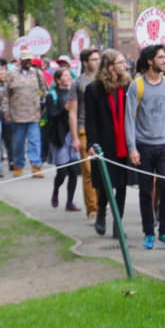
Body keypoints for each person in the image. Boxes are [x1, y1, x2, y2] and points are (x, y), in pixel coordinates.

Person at [126, 45, 165, 250]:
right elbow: (129, 118)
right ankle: (149, 232)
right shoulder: (136, 86)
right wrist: (132, 147)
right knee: (146, 191)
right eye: (161, 57)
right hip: (143, 145)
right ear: (150, 61)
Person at [85, 49, 132, 237]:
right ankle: (101, 213)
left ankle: (118, 226)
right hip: (104, 142)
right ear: (110, 66)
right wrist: (92, 143)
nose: (124, 66)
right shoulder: (94, 89)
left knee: (121, 185)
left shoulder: (127, 86)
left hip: (122, 143)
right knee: (105, 183)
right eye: (120, 62)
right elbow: (91, 119)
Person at [6, 50, 47, 178]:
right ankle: (18, 165)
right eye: (26, 60)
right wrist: (6, 110)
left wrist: (42, 103)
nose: (29, 62)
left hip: (34, 113)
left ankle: (36, 166)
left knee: (35, 140)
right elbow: (5, 95)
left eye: (30, 60)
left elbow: (44, 90)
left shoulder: (37, 73)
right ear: (21, 61)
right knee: (18, 142)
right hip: (17, 114)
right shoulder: (11, 74)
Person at [45, 67, 81, 211]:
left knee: (73, 171)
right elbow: (52, 115)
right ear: (58, 80)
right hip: (59, 137)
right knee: (62, 172)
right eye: (65, 76)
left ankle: (70, 202)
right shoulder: (52, 95)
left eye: (69, 75)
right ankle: (55, 191)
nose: (68, 77)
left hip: (73, 136)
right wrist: (64, 110)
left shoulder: (74, 93)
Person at [72, 48, 100, 219]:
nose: (97, 62)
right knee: (89, 172)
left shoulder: (104, 80)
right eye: (94, 59)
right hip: (83, 129)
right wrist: (75, 136)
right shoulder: (78, 83)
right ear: (85, 63)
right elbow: (72, 112)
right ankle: (92, 208)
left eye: (98, 59)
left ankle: (102, 203)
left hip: (102, 130)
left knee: (102, 171)